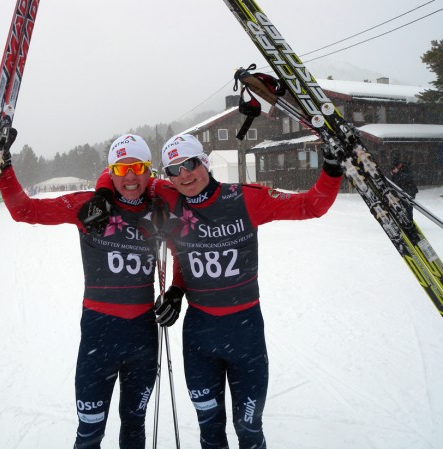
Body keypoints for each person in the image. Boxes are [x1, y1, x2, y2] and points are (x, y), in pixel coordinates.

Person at [86, 133, 343, 449]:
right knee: (210, 430)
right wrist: (177, 289)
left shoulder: (245, 198)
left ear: (204, 162)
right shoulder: (169, 196)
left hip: (245, 335)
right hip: (200, 338)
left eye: (190, 163)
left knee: (248, 429)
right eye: (173, 169)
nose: (184, 175)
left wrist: (331, 170)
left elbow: (311, 206)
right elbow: (124, 172)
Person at [0, 117, 183, 449]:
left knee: (134, 425)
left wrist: (176, 290)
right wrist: (2, 164)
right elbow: (25, 211)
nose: (130, 177)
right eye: (120, 170)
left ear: (149, 170)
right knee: (89, 432)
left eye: (137, 167)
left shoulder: (160, 206)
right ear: (111, 172)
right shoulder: (89, 206)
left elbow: (184, 253)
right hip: (98, 336)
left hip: (142, 338)